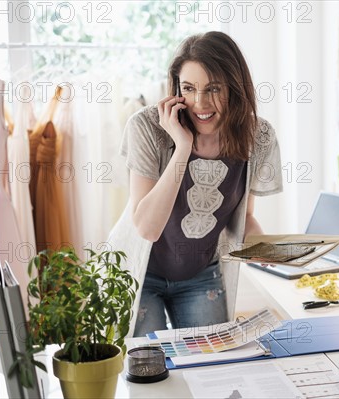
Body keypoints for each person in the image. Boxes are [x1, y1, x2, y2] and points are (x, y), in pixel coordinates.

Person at [117, 31, 283, 337]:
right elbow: (148, 228)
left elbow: (244, 218)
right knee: (148, 372)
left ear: (235, 88)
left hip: (200, 275)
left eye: (213, 89)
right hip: (142, 273)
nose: (200, 103)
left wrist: (274, 253)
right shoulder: (146, 128)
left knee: (210, 370)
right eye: (189, 89)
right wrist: (182, 147)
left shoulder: (257, 138)